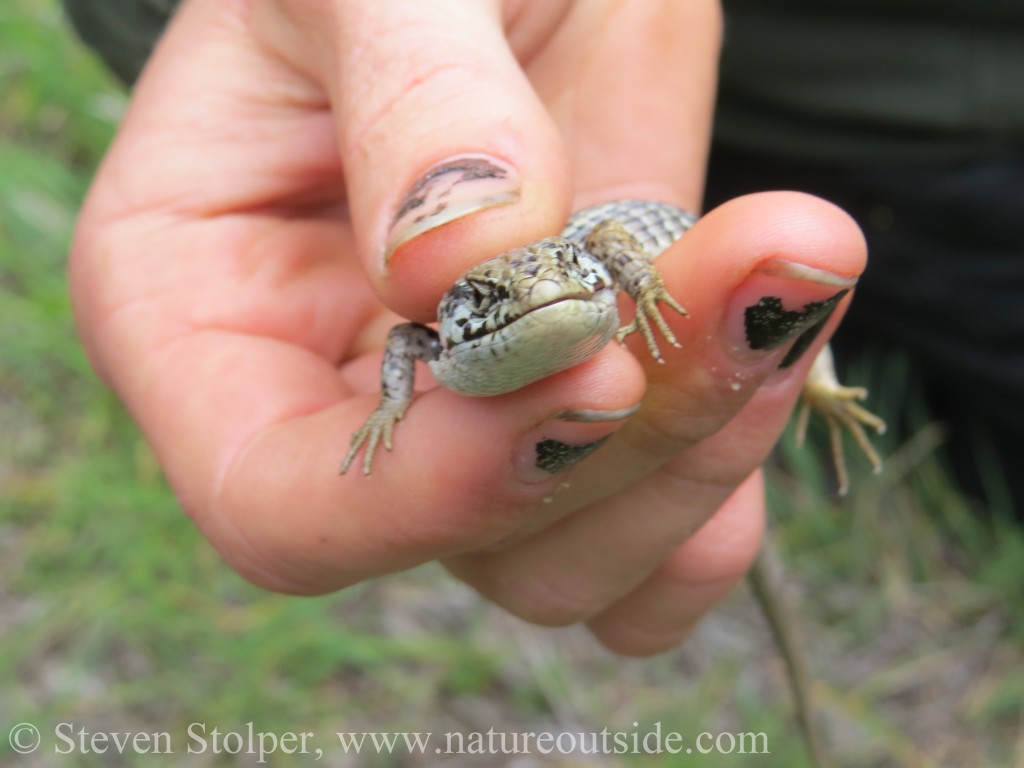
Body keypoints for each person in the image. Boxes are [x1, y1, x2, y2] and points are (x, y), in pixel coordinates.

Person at [61, 1, 1007, 660]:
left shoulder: (584, 271)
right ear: (471, 314)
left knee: (779, 281)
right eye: (518, 286)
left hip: (754, 193)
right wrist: (392, 410)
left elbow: (596, 242)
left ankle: (829, 381)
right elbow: (405, 343)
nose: (548, 287)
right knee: (753, 326)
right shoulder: (450, 328)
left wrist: (631, 283)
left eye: (554, 282)